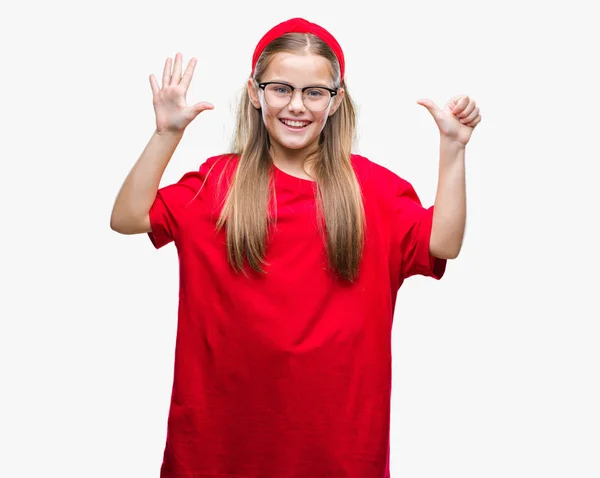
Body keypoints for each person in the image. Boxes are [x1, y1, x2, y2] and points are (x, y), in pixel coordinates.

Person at [110, 16, 481, 478]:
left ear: (335, 100)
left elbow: (443, 242)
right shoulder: (217, 183)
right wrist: (167, 134)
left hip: (338, 451)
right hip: (219, 449)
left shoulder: (374, 191)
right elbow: (127, 218)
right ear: (255, 93)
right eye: (281, 88)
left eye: (314, 92)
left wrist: (453, 149)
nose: (297, 106)